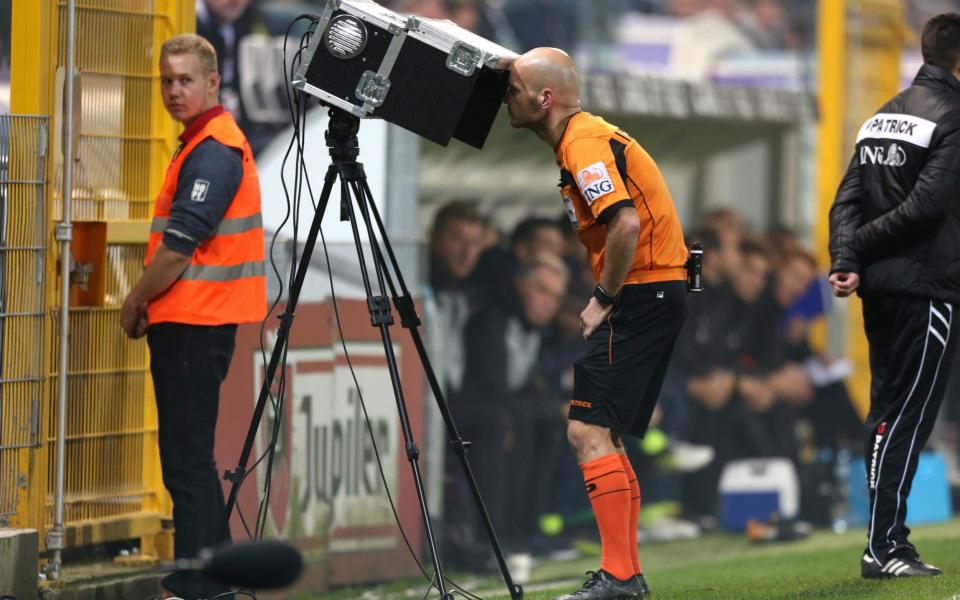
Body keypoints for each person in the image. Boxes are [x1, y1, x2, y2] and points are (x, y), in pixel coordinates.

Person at [505, 47, 689, 599]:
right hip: (659, 289)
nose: (504, 100)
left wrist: (602, 297)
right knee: (603, 432)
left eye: (513, 90)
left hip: (639, 291)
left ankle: (617, 578)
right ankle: (625, 576)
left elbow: (625, 224)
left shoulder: (582, 144)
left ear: (545, 98)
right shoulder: (584, 137)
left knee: (585, 430)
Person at [120, 33, 266, 600]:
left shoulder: (212, 149)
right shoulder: (206, 144)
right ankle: (216, 582)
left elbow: (180, 245)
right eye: (167, 80)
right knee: (193, 460)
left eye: (186, 80)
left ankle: (194, 586)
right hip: (197, 322)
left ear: (213, 82)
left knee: (186, 463)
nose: (175, 90)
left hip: (192, 322)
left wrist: (136, 299)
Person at [829, 12, 960, 580]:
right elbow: (927, 207)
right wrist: (860, 246)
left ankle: (882, 541)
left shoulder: (882, 116)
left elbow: (847, 199)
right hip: (926, 286)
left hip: (880, 291)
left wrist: (847, 257)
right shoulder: (953, 117)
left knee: (885, 414)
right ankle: (884, 546)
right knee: (906, 417)